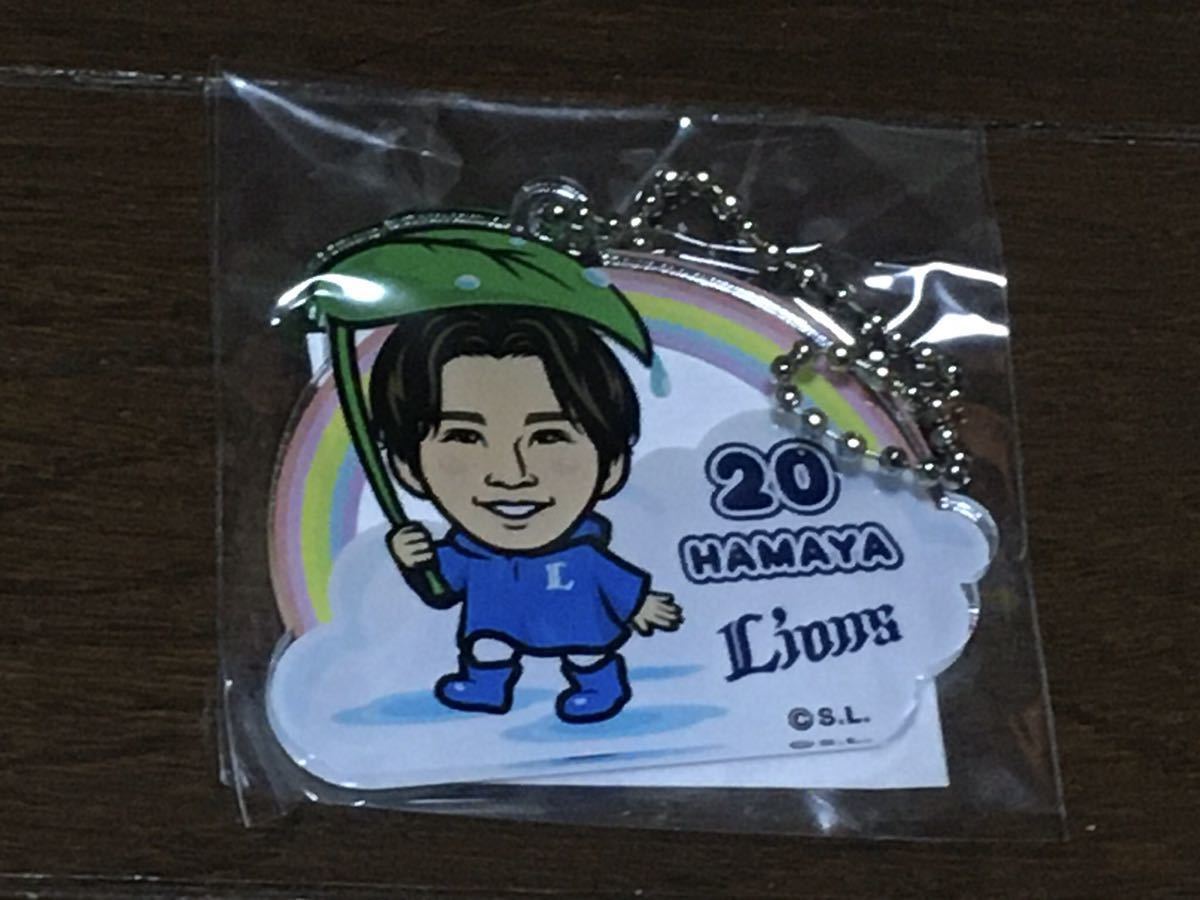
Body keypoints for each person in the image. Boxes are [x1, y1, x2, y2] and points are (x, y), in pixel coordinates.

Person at [370, 305, 683, 723]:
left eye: (549, 436)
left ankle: (598, 684)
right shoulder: (469, 552)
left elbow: (614, 581)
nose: (511, 475)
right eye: (465, 436)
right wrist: (414, 561)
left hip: (573, 622)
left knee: (587, 653)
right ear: (407, 468)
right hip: (499, 622)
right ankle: (485, 684)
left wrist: (640, 604)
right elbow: (440, 589)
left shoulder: (582, 553)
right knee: (487, 646)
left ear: (611, 466)